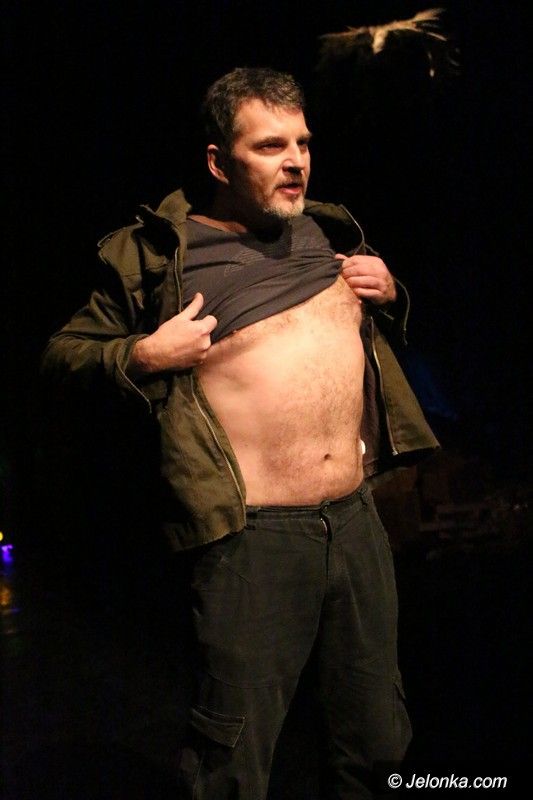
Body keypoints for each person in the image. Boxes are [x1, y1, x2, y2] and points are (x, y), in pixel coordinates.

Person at [42, 67, 438, 799]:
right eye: (269, 147)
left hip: (355, 523)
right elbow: (61, 356)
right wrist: (142, 354)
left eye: (302, 143)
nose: (296, 161)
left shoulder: (325, 229)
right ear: (219, 162)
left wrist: (389, 292)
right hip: (253, 542)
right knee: (235, 753)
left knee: (378, 737)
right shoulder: (160, 254)